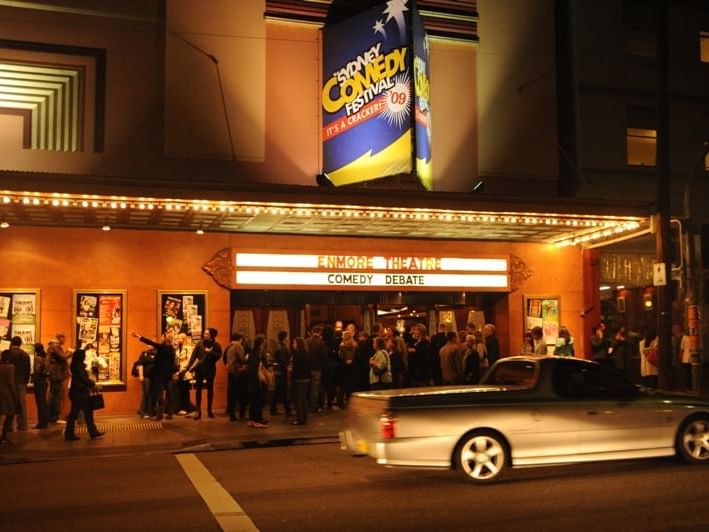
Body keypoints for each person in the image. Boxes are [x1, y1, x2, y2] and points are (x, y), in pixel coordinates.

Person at [132, 332, 176, 420]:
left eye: (162, 337)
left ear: (165, 338)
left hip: (160, 375)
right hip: (168, 375)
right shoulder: (171, 349)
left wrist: (139, 336)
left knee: (160, 395)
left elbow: (150, 342)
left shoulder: (163, 347)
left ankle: (160, 415)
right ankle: (169, 414)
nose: (160, 338)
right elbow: (172, 362)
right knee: (170, 394)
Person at [64, 348, 104, 441]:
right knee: (78, 413)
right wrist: (93, 384)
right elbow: (82, 378)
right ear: (80, 357)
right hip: (79, 393)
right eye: (84, 355)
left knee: (84, 413)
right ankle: (70, 434)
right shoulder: (78, 367)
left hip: (78, 392)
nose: (85, 357)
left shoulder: (76, 365)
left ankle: (91, 432)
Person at [187, 327, 222, 420]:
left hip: (210, 369)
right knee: (198, 389)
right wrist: (188, 367)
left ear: (212, 335)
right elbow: (193, 356)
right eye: (204, 333)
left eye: (207, 334)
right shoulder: (199, 343)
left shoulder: (216, 345)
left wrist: (210, 353)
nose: (204, 335)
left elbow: (218, 356)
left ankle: (209, 410)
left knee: (210, 389)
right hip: (199, 369)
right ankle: (198, 411)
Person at [0, 336, 30, 431]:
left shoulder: (9, 354)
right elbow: (28, 369)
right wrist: (26, 380)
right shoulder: (25, 355)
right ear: (20, 343)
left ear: (11, 343)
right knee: (21, 403)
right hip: (22, 381)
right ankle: (23, 424)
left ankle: (9, 426)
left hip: (10, 382)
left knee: (10, 403)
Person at [224, 332, 247, 421]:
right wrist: (247, 359)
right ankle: (240, 413)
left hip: (230, 371)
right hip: (237, 372)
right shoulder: (238, 346)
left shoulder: (229, 347)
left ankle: (232, 414)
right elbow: (242, 359)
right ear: (240, 339)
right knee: (241, 393)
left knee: (231, 393)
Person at [246, 335, 268, 428]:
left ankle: (252, 419)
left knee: (252, 400)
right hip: (258, 380)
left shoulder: (251, 352)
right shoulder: (260, 353)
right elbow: (264, 365)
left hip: (251, 379)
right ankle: (258, 420)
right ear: (262, 343)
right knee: (258, 400)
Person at [47, 338, 70, 423]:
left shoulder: (52, 347)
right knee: (57, 396)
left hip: (55, 374)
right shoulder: (55, 347)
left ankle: (52, 417)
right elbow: (64, 357)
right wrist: (70, 351)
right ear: (60, 338)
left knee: (55, 395)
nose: (64, 341)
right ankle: (54, 417)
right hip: (57, 375)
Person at [306, 326, 328, 412]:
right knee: (315, 388)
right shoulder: (322, 343)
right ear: (320, 332)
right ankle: (314, 407)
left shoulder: (307, 341)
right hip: (317, 368)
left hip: (307, 368)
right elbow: (324, 356)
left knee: (307, 388)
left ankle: (306, 405)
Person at [270, 330, 292, 416]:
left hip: (278, 371)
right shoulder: (282, 348)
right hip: (281, 372)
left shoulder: (278, 346)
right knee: (283, 390)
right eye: (287, 336)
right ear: (284, 337)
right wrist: (288, 366)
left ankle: (275, 409)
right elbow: (283, 361)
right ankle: (287, 409)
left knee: (279, 391)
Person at [290, 336, 310, 425]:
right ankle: (304, 417)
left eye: (294, 343)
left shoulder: (297, 355)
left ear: (298, 344)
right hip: (306, 378)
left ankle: (299, 419)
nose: (293, 344)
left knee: (297, 400)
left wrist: (291, 371)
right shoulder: (306, 353)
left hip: (298, 379)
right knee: (303, 399)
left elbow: (296, 368)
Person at [31, 342, 50, 429]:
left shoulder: (37, 358)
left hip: (39, 381)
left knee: (40, 402)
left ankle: (41, 423)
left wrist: (33, 376)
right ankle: (45, 421)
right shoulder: (47, 357)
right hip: (45, 381)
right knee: (43, 402)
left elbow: (37, 370)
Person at [0, 359, 20, 444]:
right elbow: (11, 383)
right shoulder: (10, 368)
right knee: (10, 414)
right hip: (7, 394)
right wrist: (16, 396)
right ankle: (3, 435)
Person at [174, 333, 194, 415]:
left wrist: (183, 369)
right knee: (180, 390)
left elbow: (189, 360)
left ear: (184, 339)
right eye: (177, 338)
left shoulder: (188, 348)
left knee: (185, 391)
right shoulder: (178, 349)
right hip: (179, 372)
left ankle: (186, 408)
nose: (178, 340)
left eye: (180, 338)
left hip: (185, 372)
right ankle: (181, 407)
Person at [136, 347, 157, 418]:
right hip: (146, 377)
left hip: (154, 378)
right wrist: (141, 375)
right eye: (149, 344)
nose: (150, 346)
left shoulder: (157, 353)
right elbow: (140, 365)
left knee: (153, 394)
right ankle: (144, 412)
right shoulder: (144, 353)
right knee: (146, 394)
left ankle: (151, 411)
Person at [339, 329, 358, 401]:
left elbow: (340, 356)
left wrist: (345, 361)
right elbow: (357, 356)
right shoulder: (355, 345)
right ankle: (350, 399)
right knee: (351, 384)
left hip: (344, 366)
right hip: (353, 367)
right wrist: (352, 361)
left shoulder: (342, 346)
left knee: (344, 385)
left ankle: (343, 401)